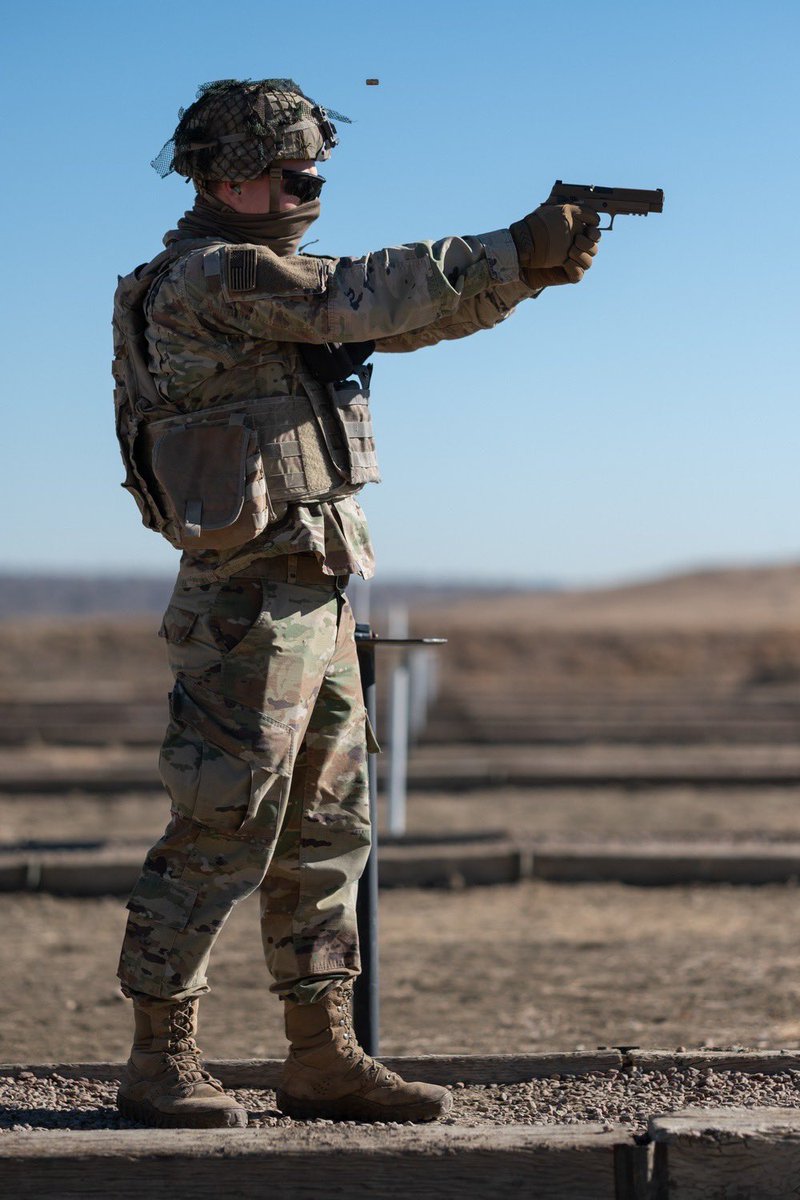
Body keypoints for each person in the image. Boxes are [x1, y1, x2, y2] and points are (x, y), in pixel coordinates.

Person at [112, 78, 601, 1130]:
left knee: (329, 831)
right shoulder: (210, 276)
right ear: (229, 175)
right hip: (246, 601)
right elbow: (363, 295)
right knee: (223, 826)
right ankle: (161, 1056)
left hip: (313, 589)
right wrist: (511, 250)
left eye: (315, 171)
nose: (312, 188)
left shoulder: (267, 280)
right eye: (294, 173)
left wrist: (519, 276)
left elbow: (396, 313)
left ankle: (320, 1054)